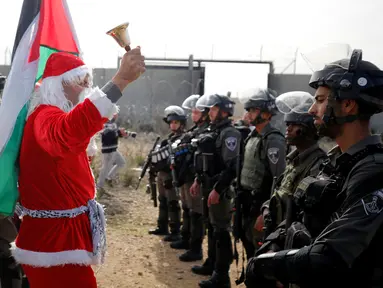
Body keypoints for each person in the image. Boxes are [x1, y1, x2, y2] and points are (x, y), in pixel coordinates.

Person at [246, 49, 383, 288]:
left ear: (348, 105)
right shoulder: (338, 162)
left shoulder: (371, 172)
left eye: (320, 100)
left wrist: (267, 265)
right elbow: (298, 218)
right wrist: (274, 245)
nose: (311, 110)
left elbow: (328, 257)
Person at [12, 48, 145, 288]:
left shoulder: (48, 114)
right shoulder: (44, 115)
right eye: (79, 80)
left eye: (88, 80)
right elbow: (67, 132)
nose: (86, 86)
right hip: (54, 244)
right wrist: (119, 82)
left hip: (59, 240)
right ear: (56, 85)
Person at [258, 91, 328, 255]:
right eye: (287, 124)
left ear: (307, 130)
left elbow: (304, 213)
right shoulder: (293, 160)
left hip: (291, 239)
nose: (287, 129)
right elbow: (281, 191)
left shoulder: (318, 164)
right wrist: (266, 209)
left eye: (293, 125)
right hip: (276, 230)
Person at [191, 94, 242, 287]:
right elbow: (206, 161)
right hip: (209, 186)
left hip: (220, 190)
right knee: (211, 228)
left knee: (221, 231)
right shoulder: (215, 130)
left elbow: (231, 166)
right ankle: (211, 264)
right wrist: (198, 180)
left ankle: (222, 276)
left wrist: (218, 190)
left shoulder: (230, 133)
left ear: (223, 111)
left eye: (213, 109)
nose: (209, 113)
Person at [235, 88, 286, 261]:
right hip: (247, 202)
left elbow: (279, 179)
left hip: (260, 205)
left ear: (266, 113)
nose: (248, 114)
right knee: (248, 245)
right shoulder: (252, 136)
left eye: (253, 110)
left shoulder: (273, 139)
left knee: (261, 253)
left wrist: (267, 213)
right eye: (248, 110)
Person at [170, 94, 210, 262]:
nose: (193, 115)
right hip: (186, 177)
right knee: (187, 209)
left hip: (196, 179)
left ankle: (196, 248)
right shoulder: (194, 131)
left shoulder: (206, 132)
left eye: (196, 112)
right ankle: (186, 240)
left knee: (196, 214)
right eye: (192, 112)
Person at [148, 105, 186, 242]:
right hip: (162, 174)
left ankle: (175, 230)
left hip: (172, 174)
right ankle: (162, 226)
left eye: (175, 122)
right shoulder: (168, 138)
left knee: (173, 202)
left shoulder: (183, 138)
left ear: (181, 123)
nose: (173, 125)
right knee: (162, 200)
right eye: (171, 122)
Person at [96, 114, 136, 194]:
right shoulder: (104, 123)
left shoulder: (113, 124)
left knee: (121, 163)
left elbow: (118, 133)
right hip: (107, 150)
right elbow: (108, 134)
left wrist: (129, 134)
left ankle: (109, 177)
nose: (116, 116)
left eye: (116, 114)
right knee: (105, 168)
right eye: (114, 114)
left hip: (114, 149)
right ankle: (98, 187)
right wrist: (118, 132)